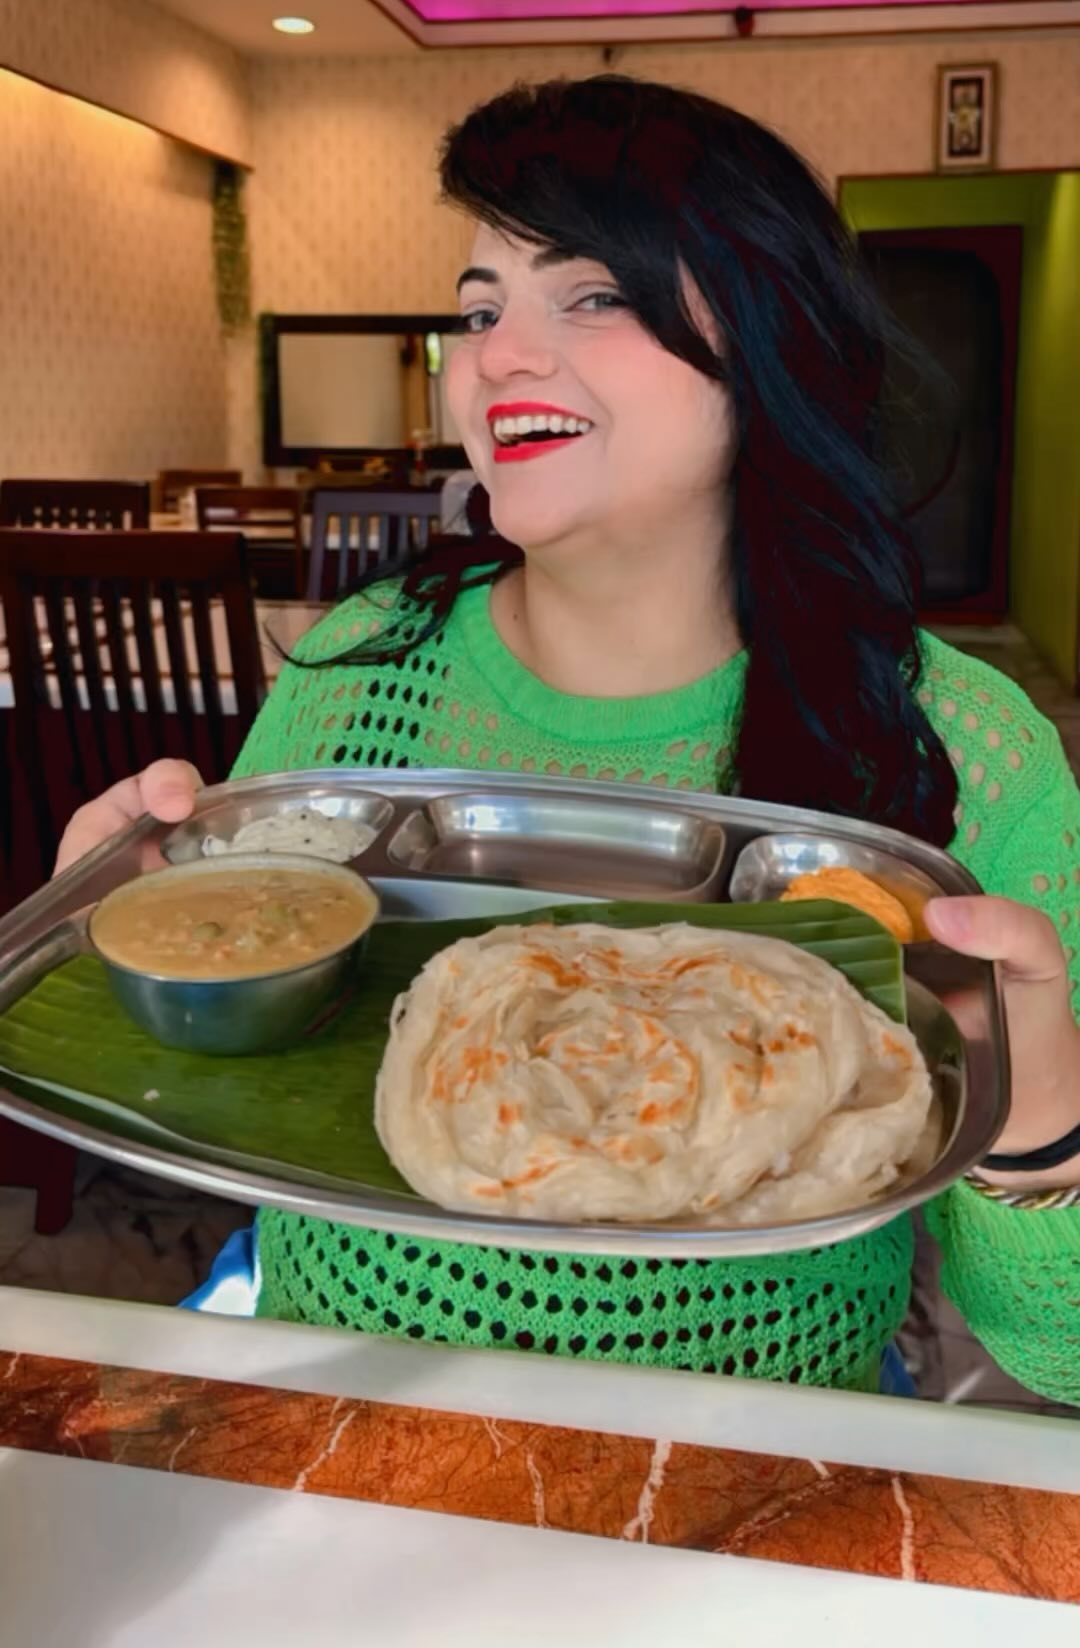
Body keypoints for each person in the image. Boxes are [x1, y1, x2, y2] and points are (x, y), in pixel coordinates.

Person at [56, 77, 1080, 1402]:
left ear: (769, 342)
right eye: (481, 310)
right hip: (343, 1412)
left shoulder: (965, 750)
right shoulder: (360, 672)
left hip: (762, 1454)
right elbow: (252, 1077)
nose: (497, 357)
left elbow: (1060, 1354)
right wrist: (132, 946)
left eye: (591, 295)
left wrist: (1040, 1108)